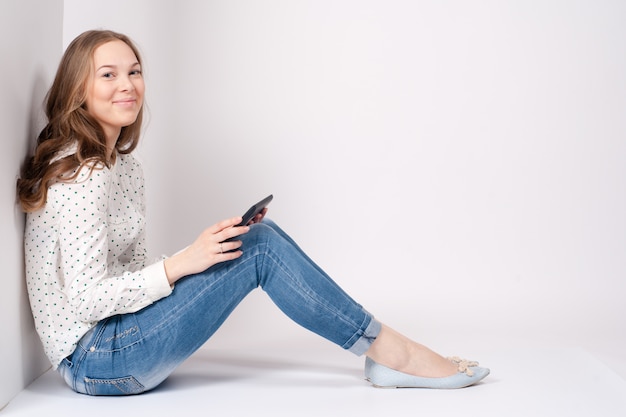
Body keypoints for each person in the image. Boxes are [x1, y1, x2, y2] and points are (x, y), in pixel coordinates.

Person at [17, 29, 489, 396]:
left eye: (135, 71)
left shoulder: (125, 167)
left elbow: (134, 275)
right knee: (259, 247)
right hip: (96, 360)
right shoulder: (81, 173)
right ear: (78, 89)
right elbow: (86, 302)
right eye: (108, 74)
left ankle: (386, 350)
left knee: (251, 240)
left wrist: (205, 253)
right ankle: (392, 352)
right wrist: (186, 261)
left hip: (122, 340)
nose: (128, 85)